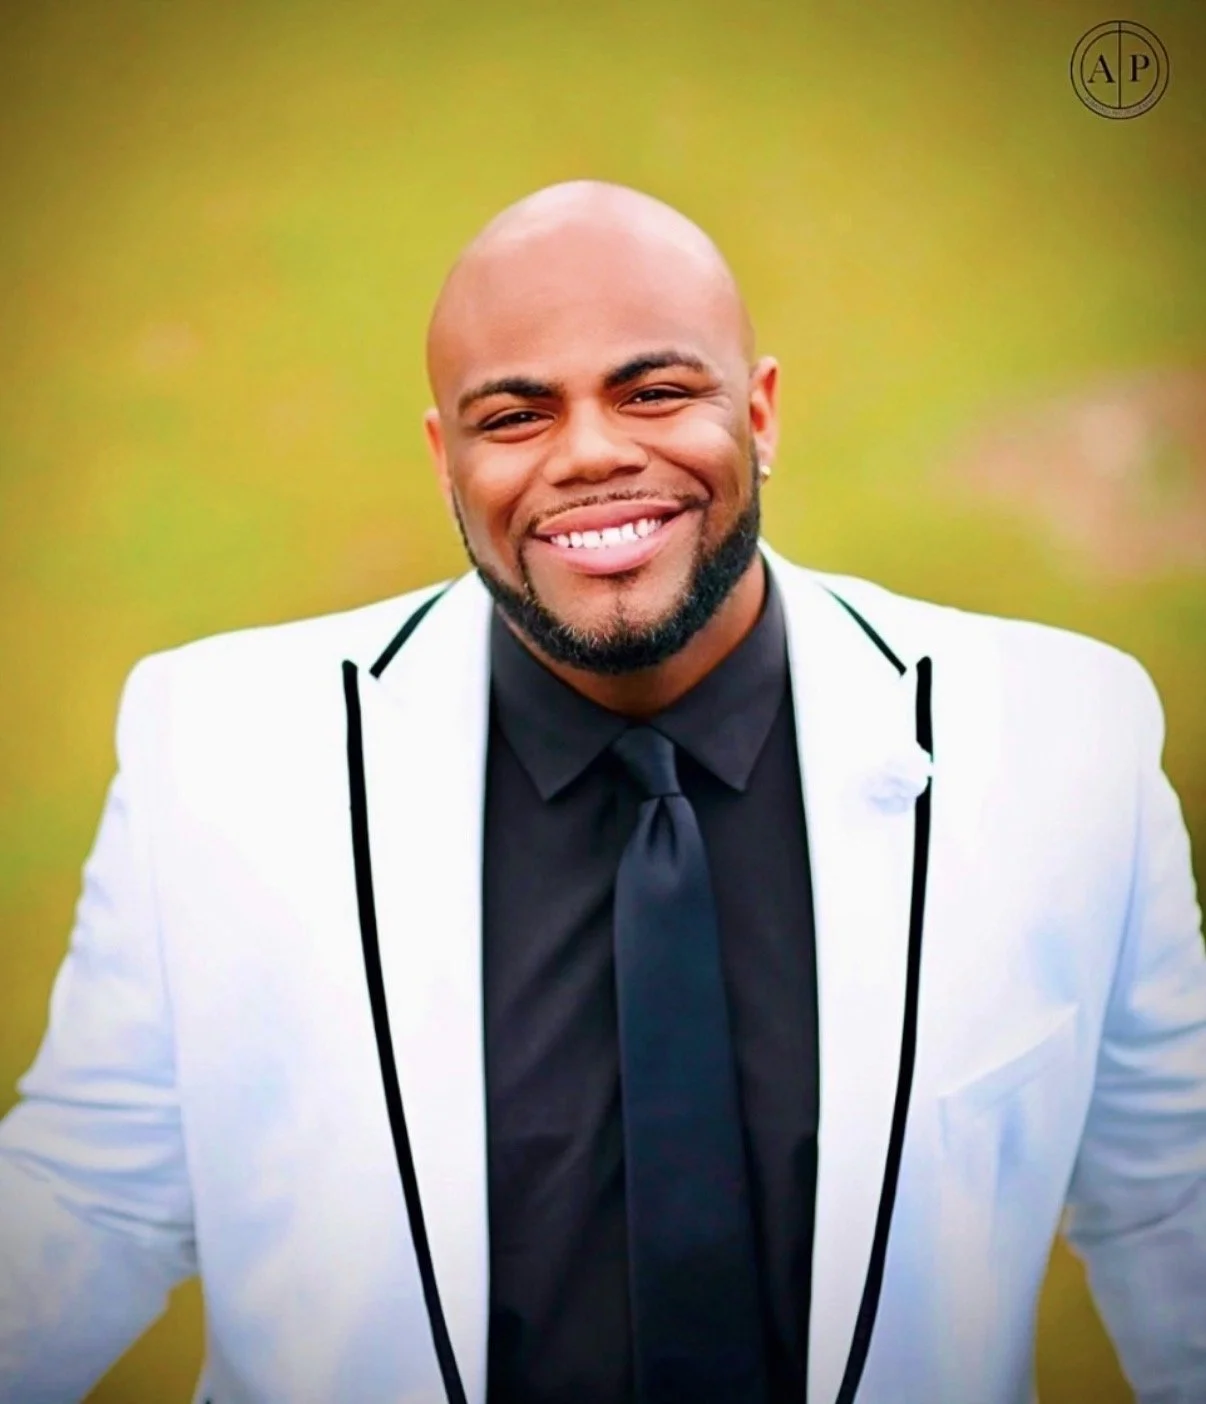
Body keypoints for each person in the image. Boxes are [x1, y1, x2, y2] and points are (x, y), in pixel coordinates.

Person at [0, 180, 1203, 1404]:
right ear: (445, 460)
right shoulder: (214, 752)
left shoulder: (1068, 744)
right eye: (517, 414)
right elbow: (87, 1202)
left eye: (656, 392)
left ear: (764, 412)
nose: (591, 454)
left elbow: (1176, 1208)